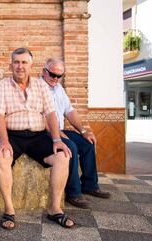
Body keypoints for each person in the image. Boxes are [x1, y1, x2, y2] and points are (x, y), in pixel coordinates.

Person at [0, 48, 74, 229]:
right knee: (1, 158)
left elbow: (51, 114)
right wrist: (3, 141)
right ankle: (9, 210)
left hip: (38, 136)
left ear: (31, 66)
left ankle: (54, 209)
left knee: (63, 156)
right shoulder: (3, 85)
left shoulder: (41, 85)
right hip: (12, 136)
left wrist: (57, 139)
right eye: (16, 62)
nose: (20, 66)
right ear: (10, 65)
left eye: (24, 62)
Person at [41, 58, 110, 209]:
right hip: (44, 132)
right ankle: (73, 193)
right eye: (52, 75)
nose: (56, 79)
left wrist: (83, 131)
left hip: (59, 129)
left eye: (60, 76)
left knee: (87, 143)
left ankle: (90, 185)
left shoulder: (59, 88)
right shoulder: (37, 87)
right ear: (44, 71)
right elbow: (39, 116)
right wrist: (57, 134)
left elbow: (69, 111)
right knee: (70, 147)